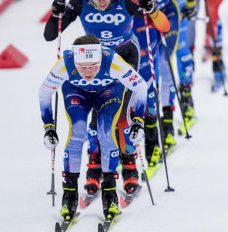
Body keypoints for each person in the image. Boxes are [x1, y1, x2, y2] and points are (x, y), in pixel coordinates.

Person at [45, 0, 169, 197]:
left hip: (123, 57)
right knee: (95, 116)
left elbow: (164, 25)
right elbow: (50, 35)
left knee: (120, 113)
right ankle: (95, 164)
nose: (102, 2)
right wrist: (55, 15)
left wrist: (150, 8)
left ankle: (129, 166)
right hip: (94, 61)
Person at [39, 34, 148, 226]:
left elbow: (140, 87)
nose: (88, 72)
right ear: (75, 61)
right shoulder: (66, 62)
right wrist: (49, 127)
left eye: (93, 67)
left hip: (108, 92)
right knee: (77, 133)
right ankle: (69, 198)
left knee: (106, 133)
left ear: (100, 59)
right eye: (82, 67)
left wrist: (138, 121)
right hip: (76, 92)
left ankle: (110, 196)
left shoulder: (111, 60)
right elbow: (45, 92)